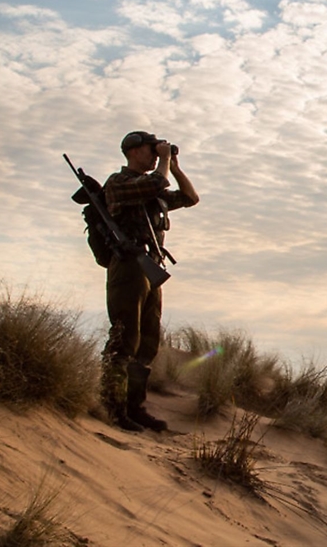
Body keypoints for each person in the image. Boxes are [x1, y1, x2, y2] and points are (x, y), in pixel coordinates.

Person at [101, 131, 199, 432]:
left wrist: (177, 166)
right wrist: (165, 160)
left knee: (148, 342)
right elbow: (157, 182)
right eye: (149, 149)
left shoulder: (153, 186)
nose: (155, 154)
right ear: (132, 151)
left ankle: (134, 407)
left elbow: (189, 198)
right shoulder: (119, 184)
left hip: (150, 268)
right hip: (128, 265)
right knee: (124, 338)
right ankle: (113, 408)